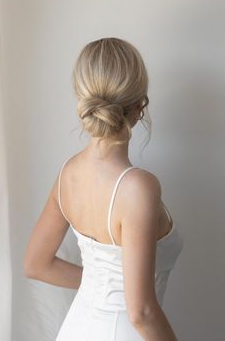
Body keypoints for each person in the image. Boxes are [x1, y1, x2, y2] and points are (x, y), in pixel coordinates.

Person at [24, 37, 184, 341]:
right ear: (140, 105)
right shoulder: (138, 188)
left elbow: (35, 264)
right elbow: (142, 312)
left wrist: (100, 286)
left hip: (75, 330)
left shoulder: (67, 174)